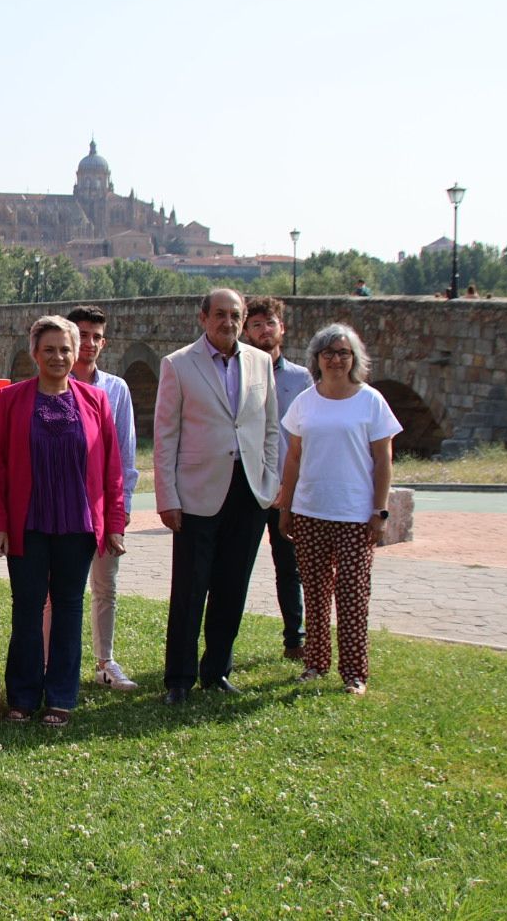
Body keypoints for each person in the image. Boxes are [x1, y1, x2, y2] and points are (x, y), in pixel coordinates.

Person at [0, 316, 126, 726]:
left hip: (77, 524)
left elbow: (112, 469)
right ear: (34, 353)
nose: (58, 357)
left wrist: (114, 523)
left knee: (67, 608)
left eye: (65, 349)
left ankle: (61, 697)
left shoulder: (96, 401)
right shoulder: (9, 400)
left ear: (76, 351)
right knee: (27, 609)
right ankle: (23, 698)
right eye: (49, 349)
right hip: (26, 523)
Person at [154, 289, 280, 705]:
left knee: (232, 586)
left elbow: (271, 428)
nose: (229, 322)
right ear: (203, 317)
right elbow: (166, 435)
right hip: (196, 492)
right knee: (190, 588)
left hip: (248, 490)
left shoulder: (262, 362)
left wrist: (272, 480)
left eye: (236, 315)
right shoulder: (177, 365)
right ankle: (179, 678)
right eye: (221, 314)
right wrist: (167, 496)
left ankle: (217, 670)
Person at [278, 324, 401, 695]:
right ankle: (316, 663)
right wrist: (286, 505)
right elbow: (295, 456)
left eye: (343, 353)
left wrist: (379, 511)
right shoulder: (305, 401)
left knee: (352, 594)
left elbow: (384, 459)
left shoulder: (371, 401)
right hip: (310, 511)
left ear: (355, 359)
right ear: (317, 359)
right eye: (328, 353)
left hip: (354, 515)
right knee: (315, 593)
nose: (335, 360)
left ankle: (354, 673)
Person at [60, 305, 140, 692]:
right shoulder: (49, 386)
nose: (88, 343)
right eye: (82, 335)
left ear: (103, 343)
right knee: (52, 593)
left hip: (102, 508)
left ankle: (105, 661)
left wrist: (120, 513)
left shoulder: (116, 389)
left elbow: (125, 455)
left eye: (95, 336)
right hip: (60, 508)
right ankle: (51, 663)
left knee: (105, 587)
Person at [241, 296, 313, 660]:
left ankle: (295, 639)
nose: (263, 331)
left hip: (290, 488)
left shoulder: (302, 379)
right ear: (246, 331)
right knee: (236, 568)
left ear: (281, 328)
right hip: (249, 487)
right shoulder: (239, 373)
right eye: (256, 325)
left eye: (269, 323)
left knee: (291, 567)